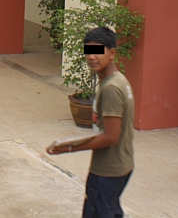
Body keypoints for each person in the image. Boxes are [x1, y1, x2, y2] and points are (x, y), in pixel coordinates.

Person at [47, 26, 135, 218]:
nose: (91, 57)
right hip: (121, 164)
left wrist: (69, 148)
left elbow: (111, 137)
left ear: (112, 53)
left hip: (108, 170)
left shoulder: (111, 88)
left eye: (98, 51)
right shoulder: (118, 80)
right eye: (88, 51)